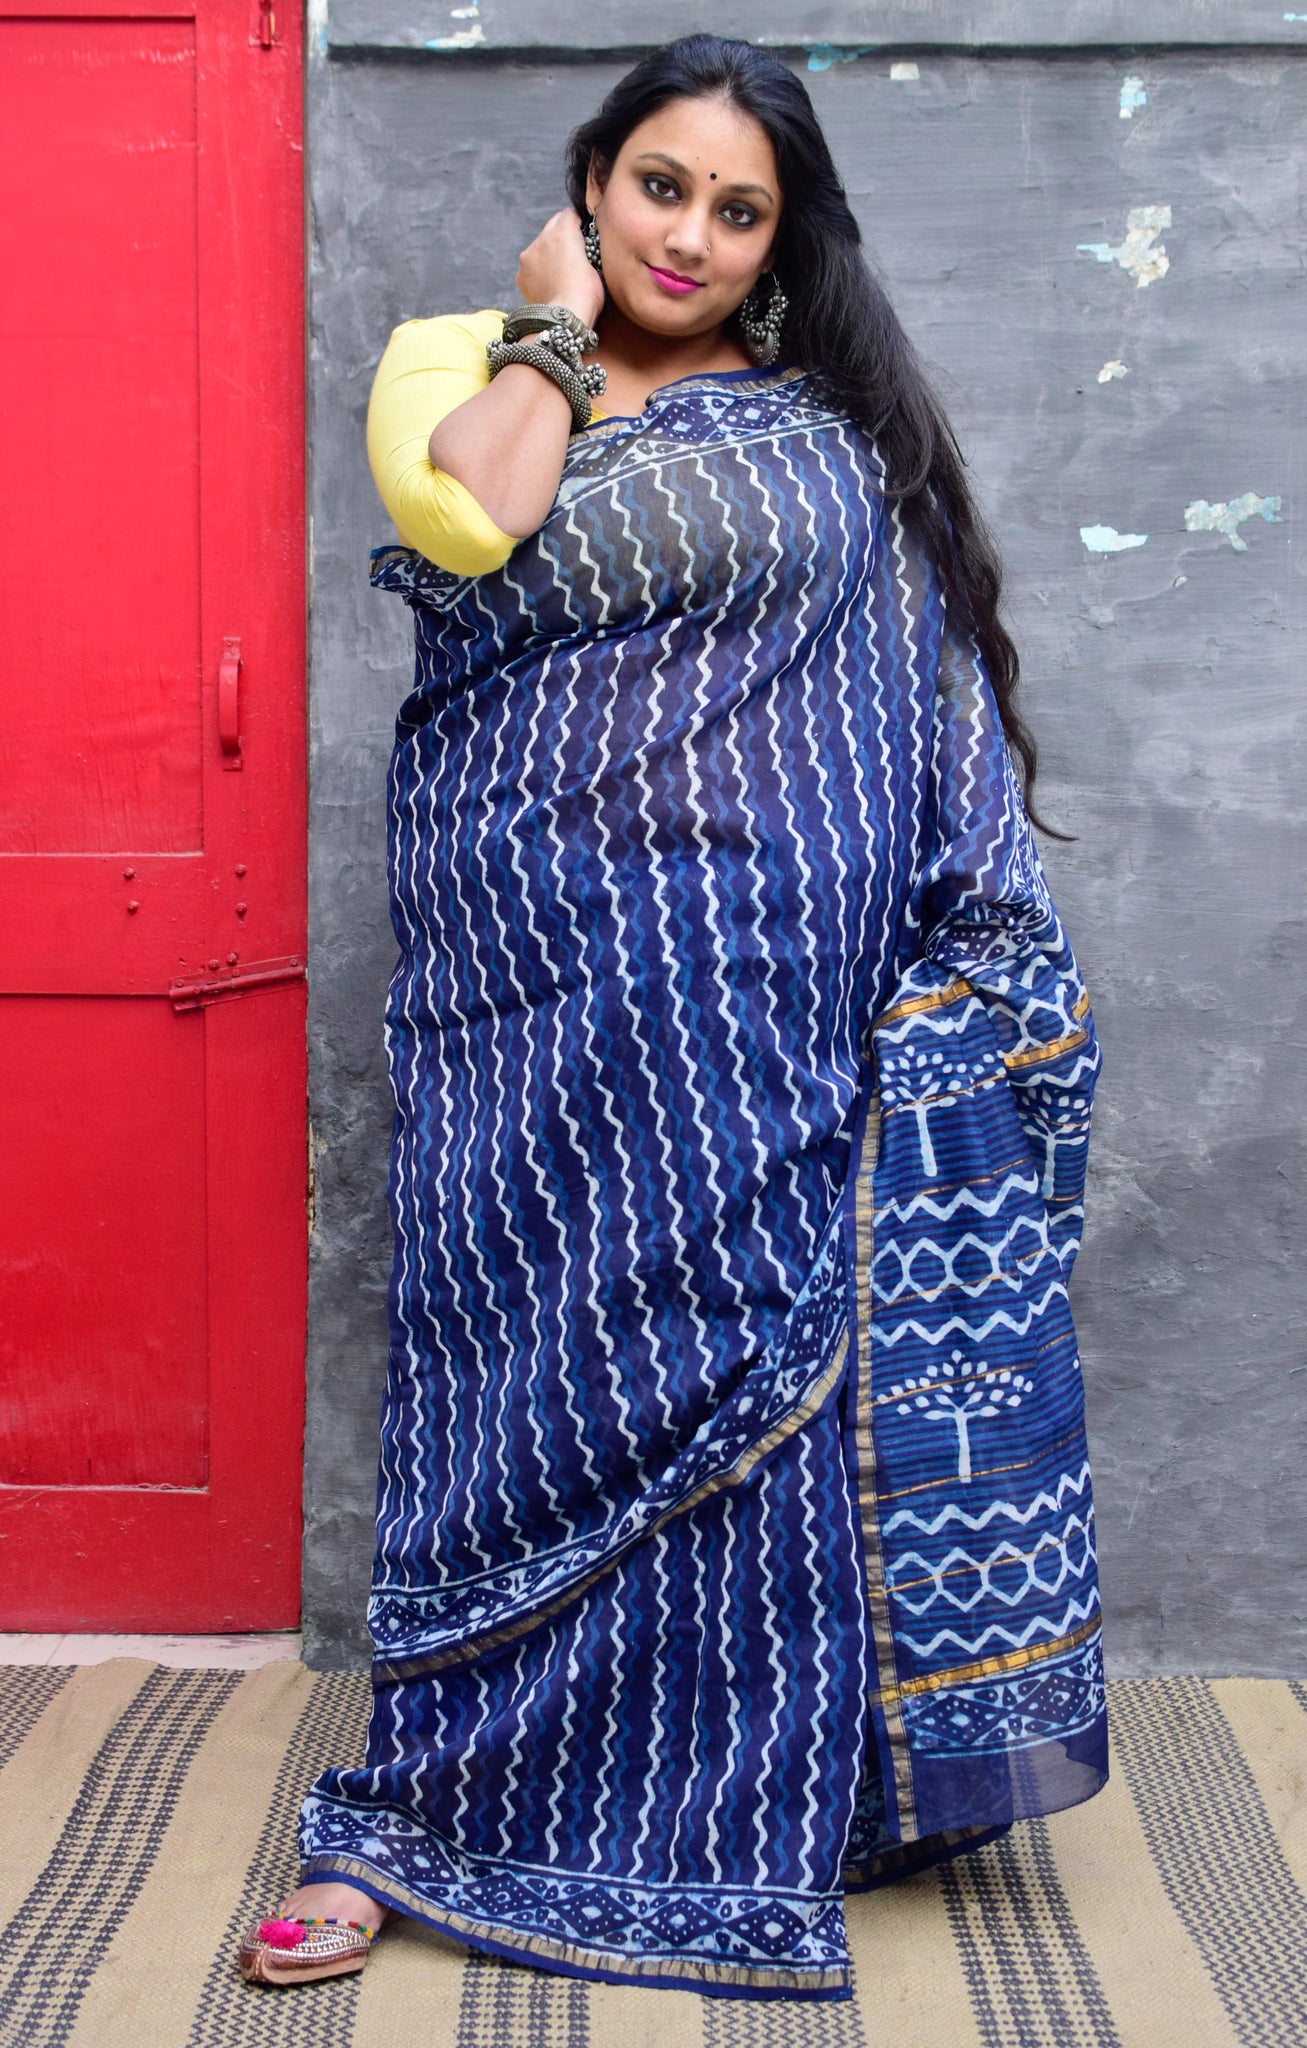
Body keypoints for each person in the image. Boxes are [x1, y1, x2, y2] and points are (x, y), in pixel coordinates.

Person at [239, 34, 1106, 2002]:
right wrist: (554, 328)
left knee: (736, 1417)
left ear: (783, 238)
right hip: (524, 1025)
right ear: (593, 179)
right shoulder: (456, 367)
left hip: (758, 1041)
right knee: (514, 1413)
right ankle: (422, 1819)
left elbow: (914, 710)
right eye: (659, 186)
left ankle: (724, 1821)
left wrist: (951, 967)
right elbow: (474, 525)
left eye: (740, 208)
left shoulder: (818, 438)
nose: (691, 234)